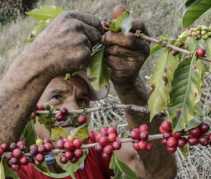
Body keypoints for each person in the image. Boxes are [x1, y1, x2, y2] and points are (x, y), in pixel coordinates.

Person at [0, 6, 177, 179]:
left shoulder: (95, 148)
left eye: (82, 99)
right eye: (56, 97)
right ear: (29, 110)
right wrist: (33, 66)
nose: (74, 110)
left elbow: (160, 173)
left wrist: (128, 86)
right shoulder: (16, 164)